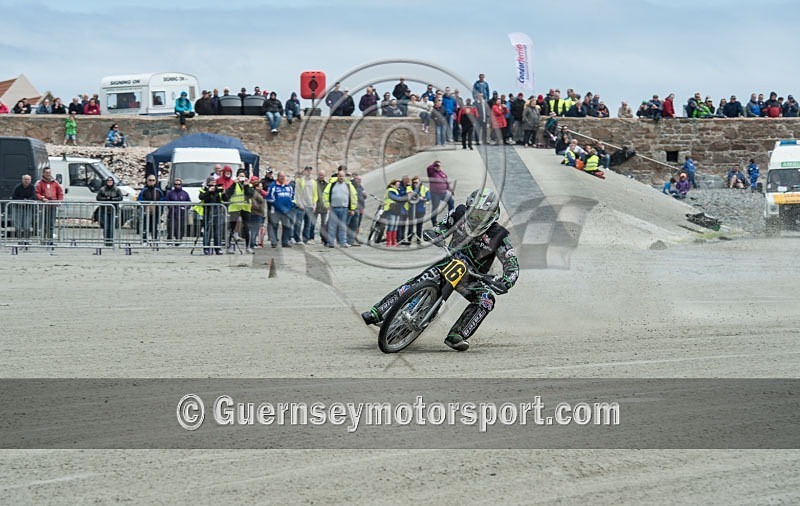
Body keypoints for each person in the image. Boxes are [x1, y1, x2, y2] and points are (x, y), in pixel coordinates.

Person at [362, 188, 519, 351]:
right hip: (450, 260)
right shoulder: (459, 213)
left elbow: (512, 265)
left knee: (486, 299)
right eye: (473, 213)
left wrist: (505, 281)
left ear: (492, 215)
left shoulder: (499, 235)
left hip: (473, 277)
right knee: (419, 281)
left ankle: (457, 335)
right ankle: (378, 311)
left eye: (481, 215)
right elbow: (442, 226)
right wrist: (435, 233)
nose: (476, 218)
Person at [323, 166, 358, 248]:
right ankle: (331, 242)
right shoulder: (332, 185)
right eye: (340, 176)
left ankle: (343, 242)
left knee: (343, 226)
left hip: (344, 209)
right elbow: (325, 195)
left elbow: (353, 197)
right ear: (337, 176)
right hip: (333, 208)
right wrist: (327, 205)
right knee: (332, 226)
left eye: (342, 176)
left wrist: (352, 208)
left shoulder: (349, 185)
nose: (341, 177)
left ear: (344, 177)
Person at [224, 169, 254, 252]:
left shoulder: (249, 185)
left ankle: (248, 247)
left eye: (243, 176)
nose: (241, 178)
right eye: (240, 176)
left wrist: (246, 185)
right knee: (231, 228)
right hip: (234, 208)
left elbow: (250, 195)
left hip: (245, 208)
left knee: (247, 228)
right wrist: (234, 183)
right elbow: (228, 194)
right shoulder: (233, 184)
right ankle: (229, 246)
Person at [266, 171, 295, 248]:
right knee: (274, 226)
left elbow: (292, 197)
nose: (282, 178)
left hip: (286, 211)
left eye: (283, 176)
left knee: (287, 226)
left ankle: (285, 242)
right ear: (278, 177)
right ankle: (274, 242)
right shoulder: (272, 186)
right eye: (281, 176)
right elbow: (269, 198)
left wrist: (291, 205)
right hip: (275, 210)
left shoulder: (289, 186)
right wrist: (277, 205)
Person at [35, 167, 64, 244]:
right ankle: (43, 240)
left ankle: (50, 240)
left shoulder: (55, 183)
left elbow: (60, 193)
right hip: (44, 206)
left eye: (49, 173)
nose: (48, 174)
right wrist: (41, 198)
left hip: (52, 205)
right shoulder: (39, 183)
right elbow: (37, 192)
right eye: (47, 173)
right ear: (43, 173)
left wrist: (59, 201)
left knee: (51, 224)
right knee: (44, 224)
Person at [198, 176, 225, 255]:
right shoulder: (204, 188)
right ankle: (206, 248)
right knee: (207, 231)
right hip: (207, 211)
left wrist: (224, 193)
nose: (213, 183)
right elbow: (201, 197)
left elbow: (224, 198)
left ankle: (218, 248)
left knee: (217, 231)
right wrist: (208, 191)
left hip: (217, 212)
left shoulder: (218, 189)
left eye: (214, 181)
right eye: (211, 182)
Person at [96, 176, 123, 246]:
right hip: (104, 210)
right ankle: (106, 241)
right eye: (108, 181)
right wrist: (106, 199)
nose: (109, 182)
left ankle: (111, 241)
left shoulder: (117, 190)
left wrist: (112, 199)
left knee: (112, 227)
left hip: (113, 210)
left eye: (111, 181)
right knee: (106, 226)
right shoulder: (102, 189)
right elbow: (98, 198)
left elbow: (120, 198)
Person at [427, 160, 455, 226]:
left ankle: (450, 217)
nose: (438, 167)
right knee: (435, 208)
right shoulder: (432, 173)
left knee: (451, 202)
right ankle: (434, 222)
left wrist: (451, 190)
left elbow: (446, 182)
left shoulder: (442, 173)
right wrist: (434, 165)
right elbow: (428, 168)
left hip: (443, 193)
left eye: (439, 166)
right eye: (437, 166)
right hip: (435, 194)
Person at [137, 175, 165, 243]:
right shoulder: (143, 191)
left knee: (154, 227)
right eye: (150, 180)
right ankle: (144, 241)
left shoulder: (159, 191)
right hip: (145, 212)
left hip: (155, 213)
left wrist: (160, 212)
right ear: (147, 181)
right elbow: (139, 201)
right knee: (145, 227)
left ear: (155, 181)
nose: (151, 182)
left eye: (153, 180)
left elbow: (162, 201)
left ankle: (154, 240)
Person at [294, 166, 318, 244]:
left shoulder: (313, 182)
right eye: (307, 170)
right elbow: (297, 193)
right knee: (298, 223)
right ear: (304, 171)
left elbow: (315, 195)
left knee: (308, 224)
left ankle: (306, 239)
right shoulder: (300, 181)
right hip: (302, 206)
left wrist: (314, 205)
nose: (309, 172)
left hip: (310, 206)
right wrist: (299, 204)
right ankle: (297, 238)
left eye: (310, 170)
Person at [404, 176, 429, 244]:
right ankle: (409, 240)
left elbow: (428, 198)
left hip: (420, 210)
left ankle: (418, 240)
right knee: (410, 224)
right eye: (414, 183)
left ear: (420, 182)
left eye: (417, 182)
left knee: (419, 225)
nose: (415, 184)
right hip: (411, 209)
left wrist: (423, 198)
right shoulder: (409, 188)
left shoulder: (425, 189)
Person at [165, 178, 191, 243]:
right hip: (172, 214)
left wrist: (185, 208)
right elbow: (167, 202)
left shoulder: (185, 193)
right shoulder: (170, 193)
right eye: (176, 184)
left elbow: (189, 202)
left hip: (182, 214)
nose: (177, 186)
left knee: (180, 228)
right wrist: (171, 207)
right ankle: (169, 240)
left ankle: (178, 241)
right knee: (171, 228)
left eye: (179, 184)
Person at [381, 179, 405, 247]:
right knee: (391, 226)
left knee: (395, 226)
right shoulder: (391, 190)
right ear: (392, 185)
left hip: (396, 210)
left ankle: (393, 242)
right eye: (397, 185)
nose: (398, 186)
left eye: (399, 185)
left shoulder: (397, 191)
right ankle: (389, 242)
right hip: (391, 209)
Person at [11, 174, 35, 239]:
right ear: (22, 180)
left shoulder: (32, 187)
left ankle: (26, 241)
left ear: (30, 180)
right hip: (18, 208)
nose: (26, 181)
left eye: (28, 179)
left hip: (28, 208)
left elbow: (33, 197)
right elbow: (14, 197)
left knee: (27, 225)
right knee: (18, 225)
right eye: (25, 179)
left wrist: (27, 201)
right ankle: (19, 240)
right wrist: (22, 201)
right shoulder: (17, 187)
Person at [348, 173, 367, 246]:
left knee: (357, 224)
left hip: (361, 208)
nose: (359, 181)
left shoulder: (361, 187)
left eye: (360, 179)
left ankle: (355, 237)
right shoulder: (352, 186)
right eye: (358, 179)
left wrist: (364, 195)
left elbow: (364, 196)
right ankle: (350, 239)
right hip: (354, 208)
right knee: (352, 224)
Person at [248, 176, 266, 250]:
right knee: (254, 229)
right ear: (256, 187)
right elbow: (253, 203)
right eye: (260, 186)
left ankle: (253, 242)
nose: (261, 187)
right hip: (256, 213)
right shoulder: (255, 193)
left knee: (255, 229)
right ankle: (252, 243)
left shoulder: (259, 193)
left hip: (259, 213)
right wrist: (258, 208)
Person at [313, 169, 329, 245]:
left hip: (324, 207)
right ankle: (310, 237)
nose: (321, 176)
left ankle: (323, 238)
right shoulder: (314, 183)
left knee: (323, 224)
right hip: (315, 206)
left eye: (322, 175)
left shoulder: (327, 185)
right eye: (320, 175)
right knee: (313, 223)